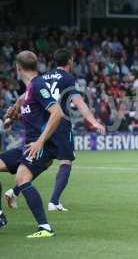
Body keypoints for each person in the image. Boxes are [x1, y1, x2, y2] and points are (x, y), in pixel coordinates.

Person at [4, 48, 106, 212]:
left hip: (43, 125)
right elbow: (78, 101)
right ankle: (54, 202)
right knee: (66, 161)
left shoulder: (44, 76)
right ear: (70, 61)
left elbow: (24, 96)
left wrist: (12, 113)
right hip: (60, 122)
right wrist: (93, 122)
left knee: (46, 160)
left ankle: (14, 191)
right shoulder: (67, 78)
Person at [0, 50, 63, 238]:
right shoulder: (29, 90)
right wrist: (15, 118)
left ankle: (45, 228)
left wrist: (40, 142)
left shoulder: (38, 85)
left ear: (18, 68)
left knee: (22, 179)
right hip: (28, 145)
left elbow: (57, 113)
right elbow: (36, 118)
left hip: (41, 145)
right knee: (20, 178)